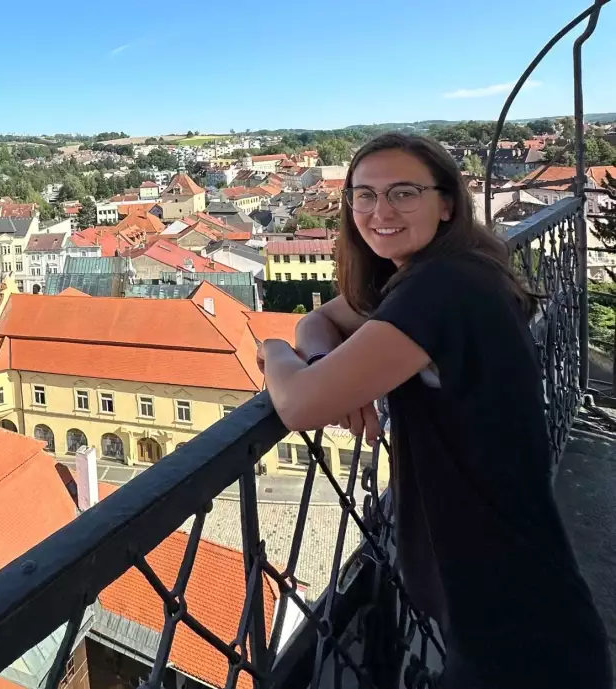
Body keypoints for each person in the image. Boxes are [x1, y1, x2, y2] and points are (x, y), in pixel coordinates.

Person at [258, 133, 610, 689]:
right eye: (364, 195)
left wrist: (273, 351)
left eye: (403, 193)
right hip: (515, 587)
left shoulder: (439, 290)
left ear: (446, 202)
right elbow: (319, 322)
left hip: (513, 623)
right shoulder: (447, 273)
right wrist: (335, 364)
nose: (380, 212)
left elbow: (298, 403)